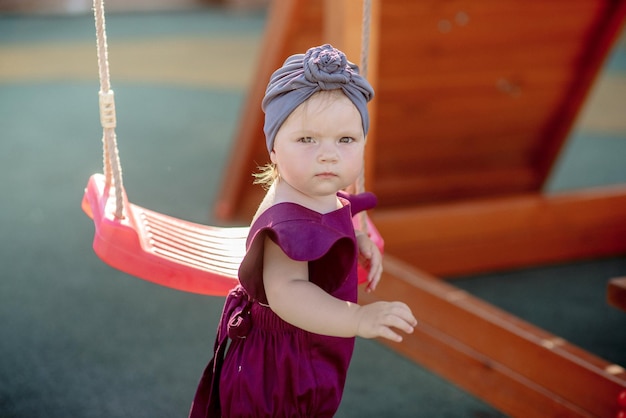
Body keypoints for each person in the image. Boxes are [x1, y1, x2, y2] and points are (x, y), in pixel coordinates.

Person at [189, 44, 417, 418]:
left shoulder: (311, 185)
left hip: (306, 345)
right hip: (279, 370)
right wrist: (358, 319)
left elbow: (332, 216)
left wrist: (356, 237)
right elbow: (287, 292)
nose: (328, 154)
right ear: (274, 148)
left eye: (345, 140)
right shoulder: (287, 220)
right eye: (307, 139)